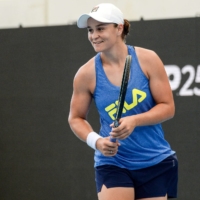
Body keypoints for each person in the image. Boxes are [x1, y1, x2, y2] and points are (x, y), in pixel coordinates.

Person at [68, 3, 178, 200]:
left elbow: (168, 108)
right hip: (112, 163)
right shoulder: (85, 74)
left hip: (155, 161)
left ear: (119, 28)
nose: (94, 35)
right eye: (90, 30)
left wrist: (134, 120)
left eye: (101, 28)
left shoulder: (148, 59)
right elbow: (76, 118)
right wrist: (97, 141)